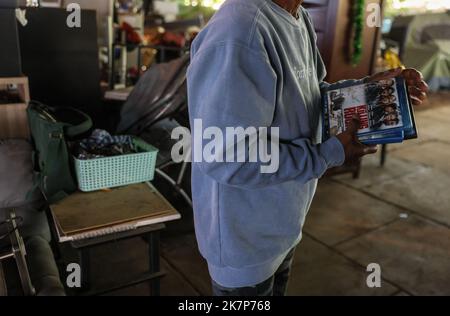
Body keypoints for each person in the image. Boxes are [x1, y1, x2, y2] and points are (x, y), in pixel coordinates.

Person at [187, 0, 428, 296]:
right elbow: (226, 155)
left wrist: (367, 93)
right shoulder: (239, 33)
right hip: (245, 243)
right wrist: (326, 155)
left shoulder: (295, 16)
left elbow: (311, 97)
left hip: (282, 223)